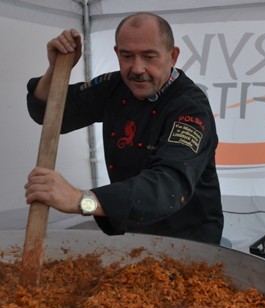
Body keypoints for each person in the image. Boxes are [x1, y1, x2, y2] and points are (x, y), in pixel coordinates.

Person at [24, 13, 223, 244]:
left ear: (173, 56)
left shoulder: (190, 108)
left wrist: (81, 200)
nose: (137, 69)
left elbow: (169, 185)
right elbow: (50, 113)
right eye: (127, 56)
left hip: (190, 241)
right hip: (134, 233)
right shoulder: (113, 86)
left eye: (149, 56)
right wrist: (57, 69)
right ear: (117, 53)